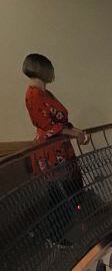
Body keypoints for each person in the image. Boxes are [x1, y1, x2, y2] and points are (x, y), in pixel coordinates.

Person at [24, 53, 89, 243]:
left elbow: (60, 123)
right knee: (60, 194)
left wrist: (78, 132)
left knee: (70, 190)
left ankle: (67, 233)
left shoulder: (44, 93)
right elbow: (46, 124)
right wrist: (75, 133)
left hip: (60, 147)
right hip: (51, 151)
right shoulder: (33, 94)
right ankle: (58, 237)